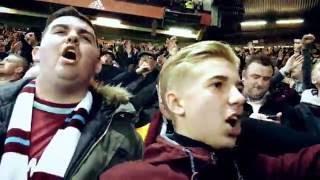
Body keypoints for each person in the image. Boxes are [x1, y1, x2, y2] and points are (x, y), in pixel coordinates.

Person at [100, 41, 320, 180]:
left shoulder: (243, 164)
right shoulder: (133, 177)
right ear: (176, 103)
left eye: (237, 87)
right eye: (217, 85)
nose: (239, 97)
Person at [0, 6, 142, 180]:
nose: (73, 37)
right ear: (36, 52)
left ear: (97, 64)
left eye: (85, 37)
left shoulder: (124, 140)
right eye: (60, 32)